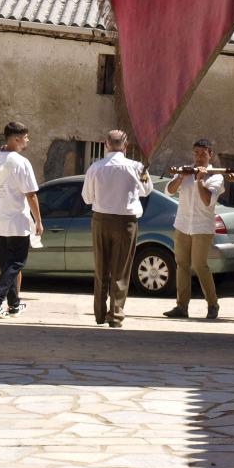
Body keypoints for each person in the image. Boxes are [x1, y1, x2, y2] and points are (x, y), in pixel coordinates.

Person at [81, 129, 152, 328]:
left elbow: (87, 198)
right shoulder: (137, 167)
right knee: (121, 270)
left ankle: (99, 313)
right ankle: (116, 315)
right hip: (126, 222)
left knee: (101, 268)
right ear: (126, 146)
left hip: (101, 220)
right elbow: (147, 191)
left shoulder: (95, 167)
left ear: (106, 145)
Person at [0, 122, 43, 318]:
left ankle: (14, 304)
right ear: (17, 139)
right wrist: (39, 221)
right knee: (16, 262)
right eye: (26, 137)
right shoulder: (21, 162)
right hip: (16, 221)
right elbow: (31, 194)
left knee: (6, 266)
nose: (28, 140)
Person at [163, 139, 225, 320]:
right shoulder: (186, 171)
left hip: (202, 227)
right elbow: (168, 191)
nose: (199, 157)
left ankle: (212, 304)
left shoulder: (216, 177)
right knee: (182, 265)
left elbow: (207, 201)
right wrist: (180, 177)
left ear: (210, 155)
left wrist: (199, 181)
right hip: (183, 225)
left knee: (199, 265)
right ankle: (181, 306)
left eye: (203, 154)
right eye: (196, 153)